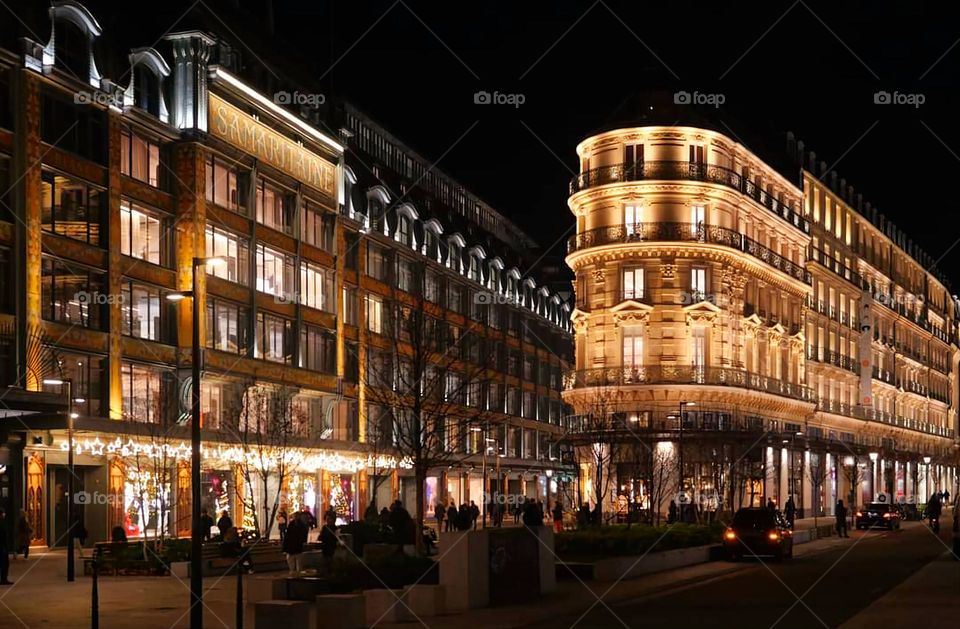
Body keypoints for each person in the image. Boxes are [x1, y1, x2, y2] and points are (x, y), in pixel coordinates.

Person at [0, 509, 12, 585]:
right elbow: (2, 536)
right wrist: (4, 547)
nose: (4, 515)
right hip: (2, 547)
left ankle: (4, 579)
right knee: (4, 563)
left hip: (2, 546)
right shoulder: (1, 523)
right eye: (3, 513)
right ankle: (3, 579)